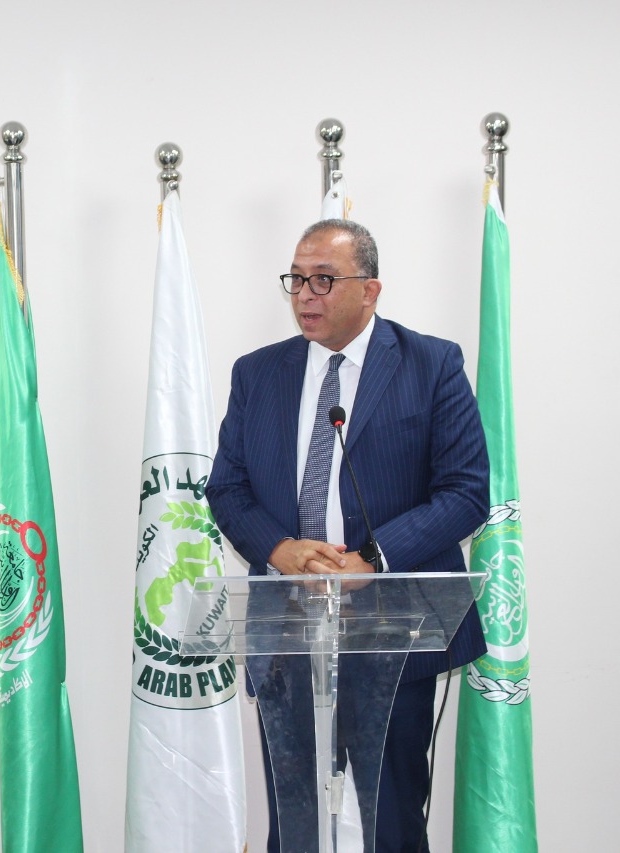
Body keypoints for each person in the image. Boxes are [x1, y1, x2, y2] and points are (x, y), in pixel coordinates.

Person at [207, 220, 488, 852]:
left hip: (395, 625)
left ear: (371, 289)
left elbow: (466, 492)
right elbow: (227, 487)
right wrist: (279, 549)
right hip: (288, 627)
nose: (305, 295)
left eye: (324, 280)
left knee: (389, 821)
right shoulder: (258, 373)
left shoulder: (431, 364)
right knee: (296, 822)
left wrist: (373, 558)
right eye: (297, 279)